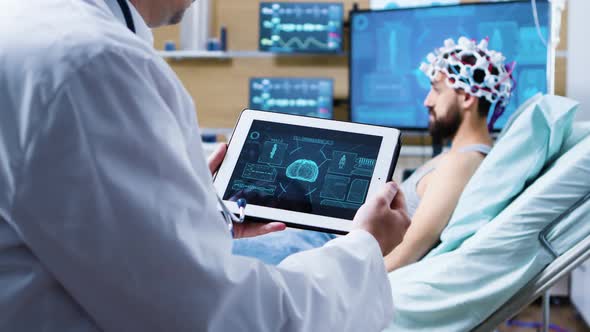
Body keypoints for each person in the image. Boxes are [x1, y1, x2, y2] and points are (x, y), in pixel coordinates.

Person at [0, 0, 410, 331]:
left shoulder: (32, 26)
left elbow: (76, 220)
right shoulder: (93, 61)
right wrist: (366, 247)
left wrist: (199, 215)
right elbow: (210, 314)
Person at [233, 36, 516, 273]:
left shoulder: (461, 162)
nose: (427, 101)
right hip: (332, 240)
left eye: (436, 90)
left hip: (328, 247)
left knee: (212, 245)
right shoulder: (460, 157)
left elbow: (407, 250)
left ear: (467, 98)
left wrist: (345, 282)